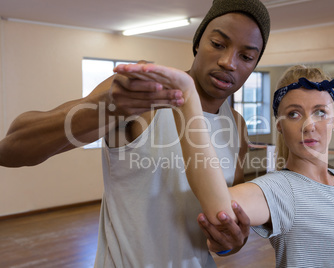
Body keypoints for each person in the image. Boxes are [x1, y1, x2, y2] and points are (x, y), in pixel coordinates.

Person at [0, 0, 271, 267]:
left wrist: (229, 244)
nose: (228, 62)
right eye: (218, 44)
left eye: (246, 56)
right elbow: (11, 148)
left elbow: (220, 227)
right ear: (198, 42)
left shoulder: (235, 125)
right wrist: (106, 107)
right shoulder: (143, 92)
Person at [119, 63, 334, 267]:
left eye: (320, 112)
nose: (309, 125)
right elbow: (219, 207)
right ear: (279, 125)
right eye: (294, 114)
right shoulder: (281, 189)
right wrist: (188, 99)